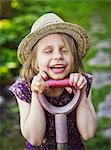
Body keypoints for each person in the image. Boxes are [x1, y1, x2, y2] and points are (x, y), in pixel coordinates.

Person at [9, 13, 97, 150]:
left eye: (64, 50)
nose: (58, 56)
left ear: (74, 58)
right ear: (35, 62)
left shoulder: (82, 83)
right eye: (48, 51)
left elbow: (88, 133)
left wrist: (81, 92)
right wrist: (36, 94)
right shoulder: (24, 88)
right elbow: (35, 139)